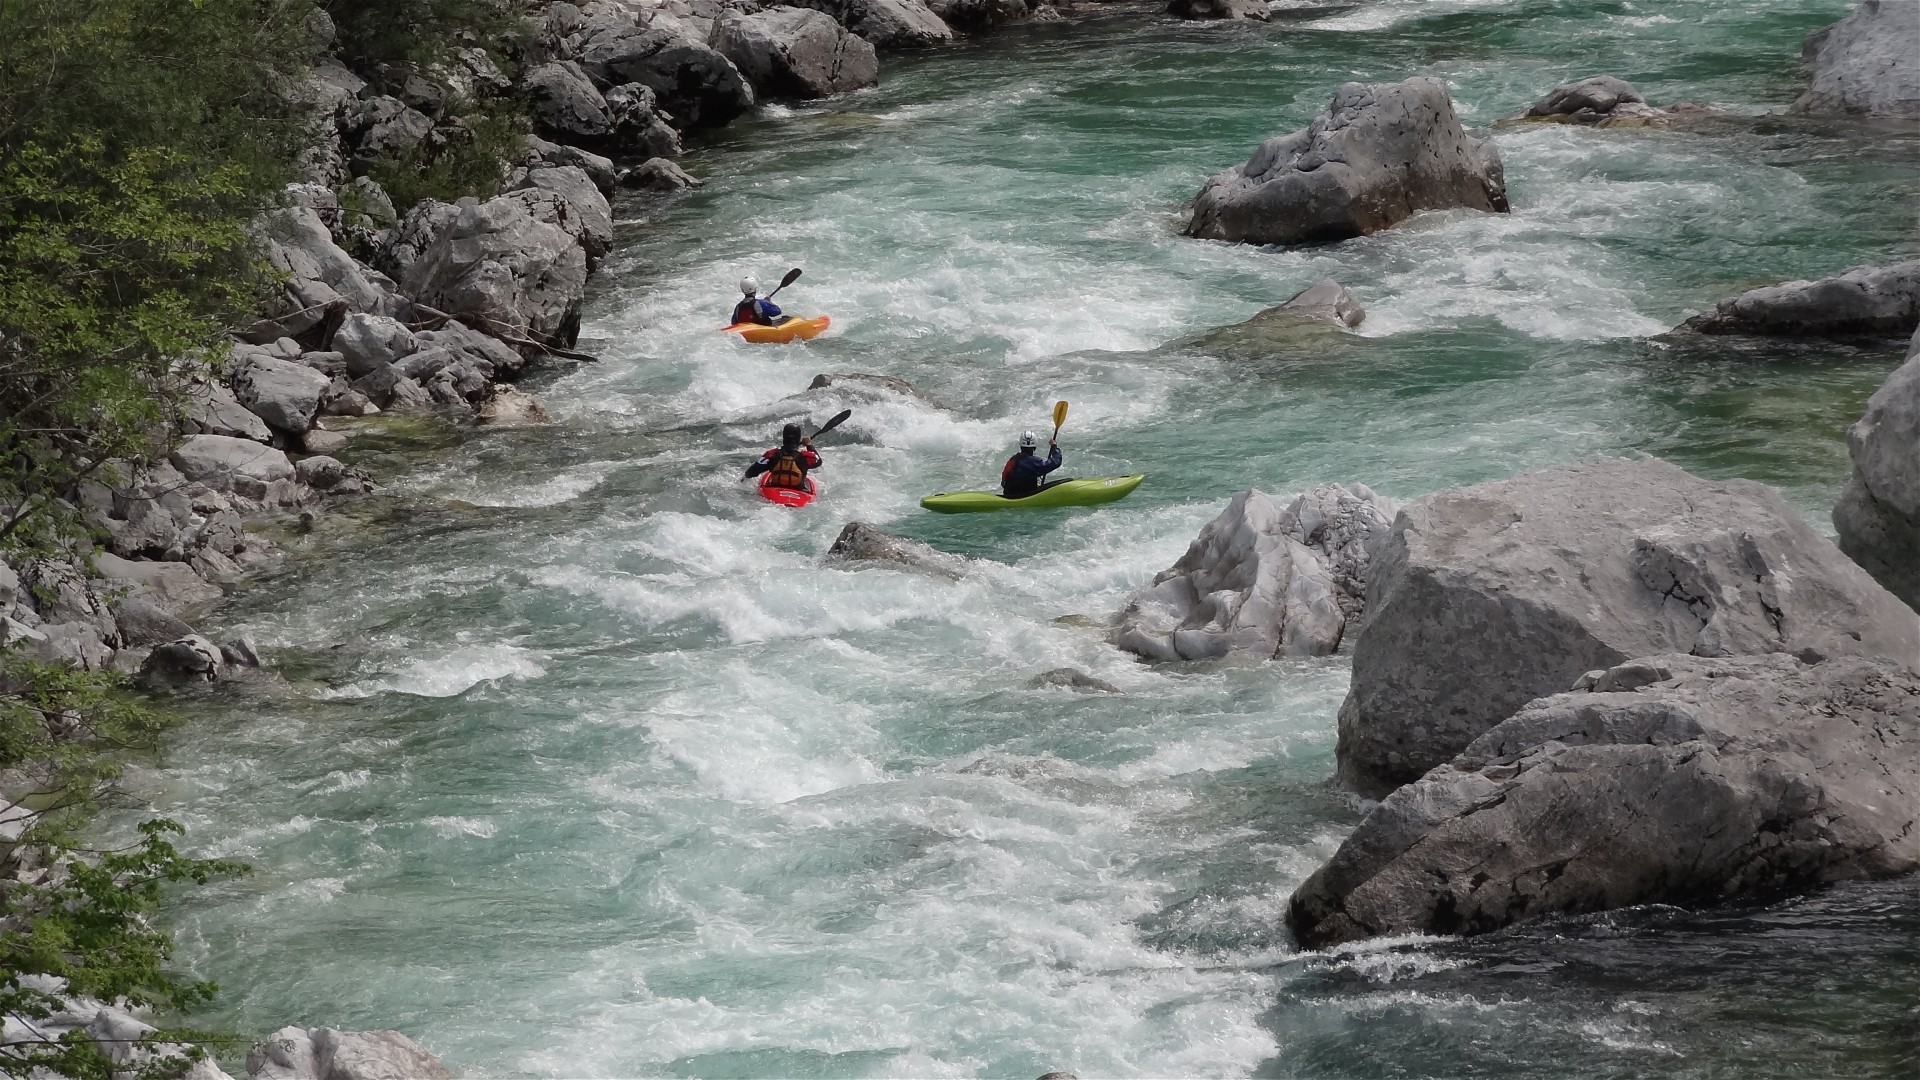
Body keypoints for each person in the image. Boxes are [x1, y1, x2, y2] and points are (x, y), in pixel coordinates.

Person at [744, 423, 820, 490]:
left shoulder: (771, 454)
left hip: (773, 491)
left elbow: (751, 472)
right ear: (798, 438)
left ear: (784, 437)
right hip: (798, 491)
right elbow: (818, 461)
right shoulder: (806, 456)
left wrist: (743, 479)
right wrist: (809, 445)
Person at [1001, 430, 1062, 498]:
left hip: (1008, 495)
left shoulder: (1012, 460)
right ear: (1034, 446)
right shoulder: (1035, 462)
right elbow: (1056, 462)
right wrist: (1054, 446)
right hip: (1026, 495)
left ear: (1020, 445)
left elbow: (1003, 482)